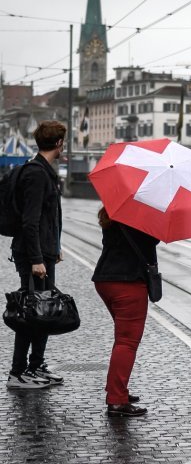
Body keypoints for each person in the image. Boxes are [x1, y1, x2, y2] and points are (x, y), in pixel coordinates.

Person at [7, 120, 66, 389]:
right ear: (59, 143)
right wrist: (36, 259)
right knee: (31, 313)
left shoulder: (44, 171)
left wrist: (54, 246)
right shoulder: (36, 174)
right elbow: (30, 221)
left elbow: (45, 219)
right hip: (33, 256)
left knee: (43, 311)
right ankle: (18, 373)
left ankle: (35, 366)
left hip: (44, 251)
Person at [93, 207, 159, 417]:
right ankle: (117, 400)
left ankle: (117, 390)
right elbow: (149, 242)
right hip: (128, 283)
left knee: (122, 338)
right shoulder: (143, 213)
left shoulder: (111, 211)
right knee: (127, 342)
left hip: (105, 280)